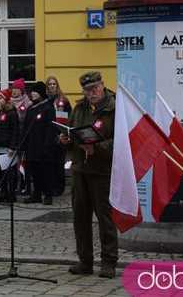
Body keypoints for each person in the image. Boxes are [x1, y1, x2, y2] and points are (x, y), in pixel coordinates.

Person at [59, 71, 117, 279]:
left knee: (105, 218)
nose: (91, 93)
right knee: (80, 218)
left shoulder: (114, 108)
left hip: (102, 171)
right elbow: (73, 131)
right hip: (80, 169)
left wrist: (98, 148)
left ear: (102, 85)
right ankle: (85, 261)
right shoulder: (79, 108)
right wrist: (66, 140)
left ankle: (109, 262)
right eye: (87, 90)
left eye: (94, 89)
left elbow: (121, 141)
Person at [22, 82, 58, 205]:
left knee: (46, 171)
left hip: (44, 146)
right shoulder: (31, 109)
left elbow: (51, 128)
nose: (32, 94)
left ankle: (48, 194)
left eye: (35, 91)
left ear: (41, 93)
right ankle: (36, 194)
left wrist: (47, 145)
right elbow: (26, 127)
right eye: (32, 91)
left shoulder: (48, 107)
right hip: (32, 146)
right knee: (35, 172)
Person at [0, 88, 19, 203]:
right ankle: (3, 192)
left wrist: (12, 147)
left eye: (1, 98)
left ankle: (11, 194)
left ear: (6, 100)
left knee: (10, 172)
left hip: (7, 148)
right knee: (1, 173)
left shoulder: (11, 113)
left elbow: (15, 131)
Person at [46, 75, 71, 196]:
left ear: (57, 85)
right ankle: (51, 186)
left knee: (59, 163)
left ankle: (59, 188)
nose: (52, 86)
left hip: (60, 134)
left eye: (54, 84)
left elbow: (69, 117)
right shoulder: (46, 101)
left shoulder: (63, 101)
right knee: (50, 164)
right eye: (50, 84)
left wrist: (64, 133)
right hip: (49, 136)